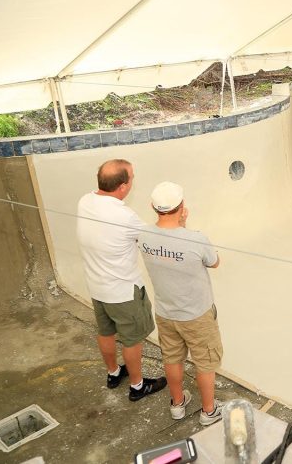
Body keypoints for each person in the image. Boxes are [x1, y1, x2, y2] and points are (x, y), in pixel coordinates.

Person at [76, 159, 167, 401]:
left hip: (96, 288)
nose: (133, 180)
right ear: (124, 187)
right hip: (123, 293)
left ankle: (114, 373)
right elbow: (153, 240)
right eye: (132, 177)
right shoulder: (124, 216)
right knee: (131, 339)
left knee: (105, 332)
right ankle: (138, 386)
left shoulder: (85, 201)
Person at [138, 182, 224, 425]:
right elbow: (215, 262)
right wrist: (184, 228)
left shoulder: (143, 235)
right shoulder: (196, 239)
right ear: (182, 207)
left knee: (172, 357)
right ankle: (209, 411)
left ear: (153, 207)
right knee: (205, 361)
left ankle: (177, 403)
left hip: (166, 313)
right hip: (197, 314)